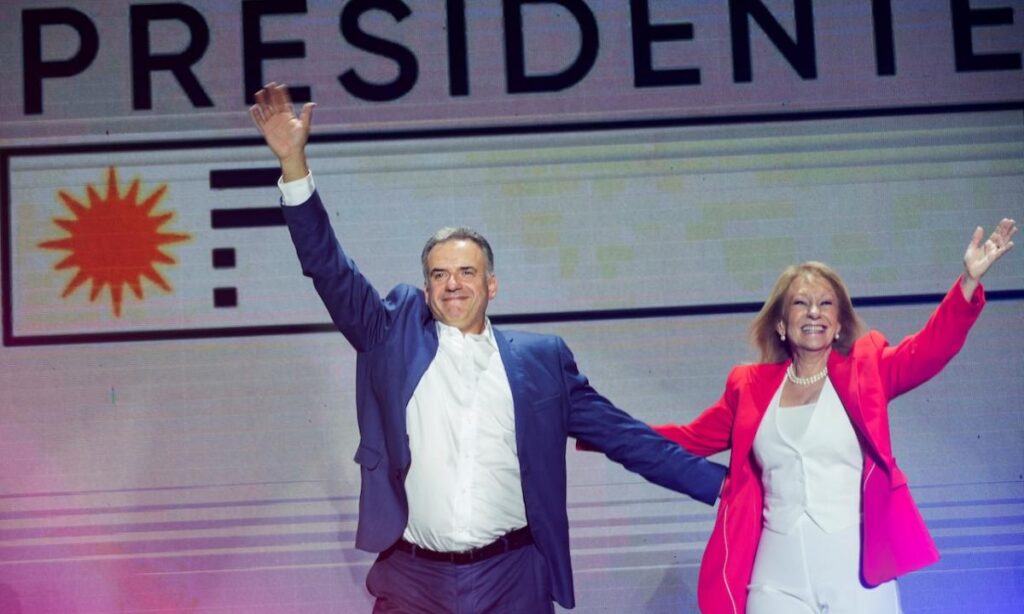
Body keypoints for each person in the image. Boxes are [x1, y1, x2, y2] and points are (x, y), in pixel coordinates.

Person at [248, 82, 727, 613]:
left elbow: (629, 440)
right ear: (426, 288)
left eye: (466, 272)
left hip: (512, 574)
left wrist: (729, 488)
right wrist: (293, 163)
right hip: (413, 577)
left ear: (492, 285)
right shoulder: (390, 335)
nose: (453, 284)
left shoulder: (542, 362)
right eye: (439, 274)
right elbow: (328, 268)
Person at [650, 219, 1017, 613]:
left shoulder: (866, 369)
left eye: (826, 304)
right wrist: (603, 426)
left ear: (839, 323)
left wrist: (967, 283)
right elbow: (683, 440)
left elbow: (928, 351)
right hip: (777, 572)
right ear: (781, 324)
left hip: (855, 567)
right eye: (800, 303)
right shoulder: (749, 388)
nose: (814, 312)